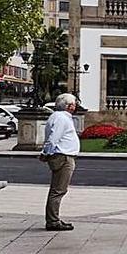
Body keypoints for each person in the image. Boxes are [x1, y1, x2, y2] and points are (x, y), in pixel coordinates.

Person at [40, 93, 81, 231]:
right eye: (74, 103)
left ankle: (53, 219)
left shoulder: (58, 117)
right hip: (63, 156)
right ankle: (53, 221)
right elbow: (53, 138)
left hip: (63, 155)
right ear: (69, 106)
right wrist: (46, 153)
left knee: (57, 189)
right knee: (58, 190)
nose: (75, 106)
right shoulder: (61, 119)